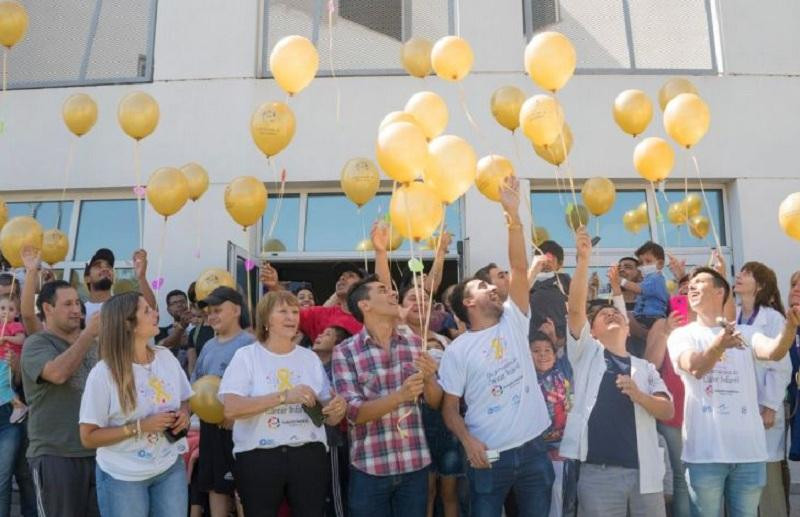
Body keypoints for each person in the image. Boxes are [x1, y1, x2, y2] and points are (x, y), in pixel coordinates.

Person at [439, 176, 553, 517]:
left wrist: (512, 214)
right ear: (468, 304)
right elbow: (449, 409)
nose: (491, 287)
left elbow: (519, 268)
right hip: (488, 457)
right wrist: (467, 440)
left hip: (534, 450)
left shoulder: (513, 319)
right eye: (480, 286)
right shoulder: (458, 350)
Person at [667, 267, 799, 517]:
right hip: (704, 455)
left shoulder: (745, 333)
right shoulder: (681, 335)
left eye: (699, 281)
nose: (691, 287)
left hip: (749, 454)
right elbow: (695, 367)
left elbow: (774, 352)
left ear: (720, 291)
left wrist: (790, 327)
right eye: (690, 284)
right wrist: (720, 344)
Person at [563, 227, 673, 517]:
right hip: (599, 477)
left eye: (615, 314)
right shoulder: (586, 355)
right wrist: (583, 260)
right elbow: (575, 312)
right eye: (602, 315)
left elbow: (667, 410)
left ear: (627, 328)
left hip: (646, 475)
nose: (610, 313)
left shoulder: (645, 368)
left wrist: (639, 395)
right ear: (593, 332)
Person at [219, 291, 347, 516]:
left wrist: (337, 408)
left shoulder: (309, 358)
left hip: (309, 455)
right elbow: (231, 408)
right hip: (259, 456)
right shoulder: (246, 356)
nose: (291, 317)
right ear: (266, 319)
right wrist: (283, 397)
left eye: (295, 312)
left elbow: (328, 415)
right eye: (283, 311)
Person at [332, 273, 442, 517]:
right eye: (383, 290)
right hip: (369, 467)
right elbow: (353, 414)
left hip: (415, 463)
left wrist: (430, 378)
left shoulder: (415, 344)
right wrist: (400, 396)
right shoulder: (344, 352)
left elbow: (434, 402)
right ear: (365, 305)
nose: (393, 293)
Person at [79, 292, 192, 517]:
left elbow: (185, 399)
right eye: (147, 311)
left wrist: (184, 414)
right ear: (127, 324)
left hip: (169, 468)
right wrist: (140, 427)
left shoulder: (166, 358)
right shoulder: (103, 374)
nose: (157, 314)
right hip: (122, 476)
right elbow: (88, 437)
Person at [20, 280, 101, 517]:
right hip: (55, 455)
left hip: (96, 452)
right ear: (48, 309)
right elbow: (57, 374)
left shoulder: (94, 345)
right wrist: (87, 336)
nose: (76, 309)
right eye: (68, 304)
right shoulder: (36, 344)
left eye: (77, 302)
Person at [733, 262, 791, 516]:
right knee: (743, 483)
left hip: (765, 413)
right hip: (739, 412)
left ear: (761, 285)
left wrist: (769, 407)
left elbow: (781, 368)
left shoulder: (773, 318)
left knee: (767, 482)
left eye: (746, 274)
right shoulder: (732, 316)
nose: (739, 276)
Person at [192, 286, 254, 517]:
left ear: (236, 309)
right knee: (214, 485)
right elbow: (196, 382)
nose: (212, 315)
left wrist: (235, 414)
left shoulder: (249, 344)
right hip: (210, 428)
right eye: (210, 312)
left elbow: (257, 386)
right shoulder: (208, 345)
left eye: (218, 310)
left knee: (241, 487)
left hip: (239, 428)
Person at [530, 331, 576, 517]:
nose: (542, 354)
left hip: (562, 447)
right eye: (536, 350)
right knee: (536, 496)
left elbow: (572, 343)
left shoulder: (564, 369)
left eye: (547, 350)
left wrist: (556, 339)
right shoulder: (524, 375)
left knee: (559, 494)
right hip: (533, 450)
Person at [261, 263, 363, 342]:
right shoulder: (320, 314)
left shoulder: (371, 315)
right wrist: (274, 286)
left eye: (350, 276)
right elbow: (290, 312)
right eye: (340, 277)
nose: (342, 278)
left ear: (362, 286)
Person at [312, 325, 352, 517]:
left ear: (338, 345)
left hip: (333, 438)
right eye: (320, 332)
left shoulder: (340, 371)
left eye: (327, 334)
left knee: (335, 492)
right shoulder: (309, 366)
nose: (319, 335)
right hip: (310, 440)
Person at [83, 248, 157, 320]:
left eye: (109, 266)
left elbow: (151, 314)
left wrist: (141, 277)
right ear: (87, 278)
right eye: (98, 266)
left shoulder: (123, 306)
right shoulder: (78, 311)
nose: (105, 269)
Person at [527, 240, 571, 348]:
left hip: (561, 344)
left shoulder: (565, 280)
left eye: (550, 259)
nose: (545, 263)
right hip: (531, 343)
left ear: (559, 264)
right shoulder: (526, 281)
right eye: (542, 258)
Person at [626, 242, 670, 340]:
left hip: (652, 318)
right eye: (641, 263)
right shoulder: (648, 279)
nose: (644, 265)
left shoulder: (656, 278)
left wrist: (621, 281)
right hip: (644, 318)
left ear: (660, 264)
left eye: (648, 261)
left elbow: (639, 289)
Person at [156, 289, 192, 371]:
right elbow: (160, 347)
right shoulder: (161, 331)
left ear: (188, 305)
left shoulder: (198, 327)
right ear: (168, 310)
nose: (179, 305)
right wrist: (180, 329)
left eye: (182, 301)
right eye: (174, 303)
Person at [186, 282, 214, 378]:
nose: (199, 304)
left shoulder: (225, 326)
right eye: (195, 301)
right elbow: (192, 366)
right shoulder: (194, 333)